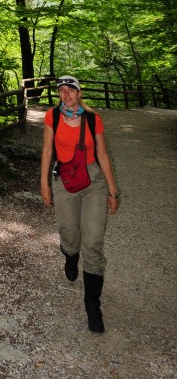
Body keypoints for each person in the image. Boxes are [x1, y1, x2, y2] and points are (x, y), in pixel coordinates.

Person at [40, 74, 120, 333]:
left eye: (70, 89)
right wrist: (43, 184)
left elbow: (104, 155)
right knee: (69, 235)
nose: (66, 94)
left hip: (93, 181)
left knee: (94, 243)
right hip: (64, 182)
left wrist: (112, 191)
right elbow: (47, 151)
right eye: (61, 90)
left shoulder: (93, 119)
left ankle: (92, 303)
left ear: (79, 92)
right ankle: (70, 256)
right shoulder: (52, 117)